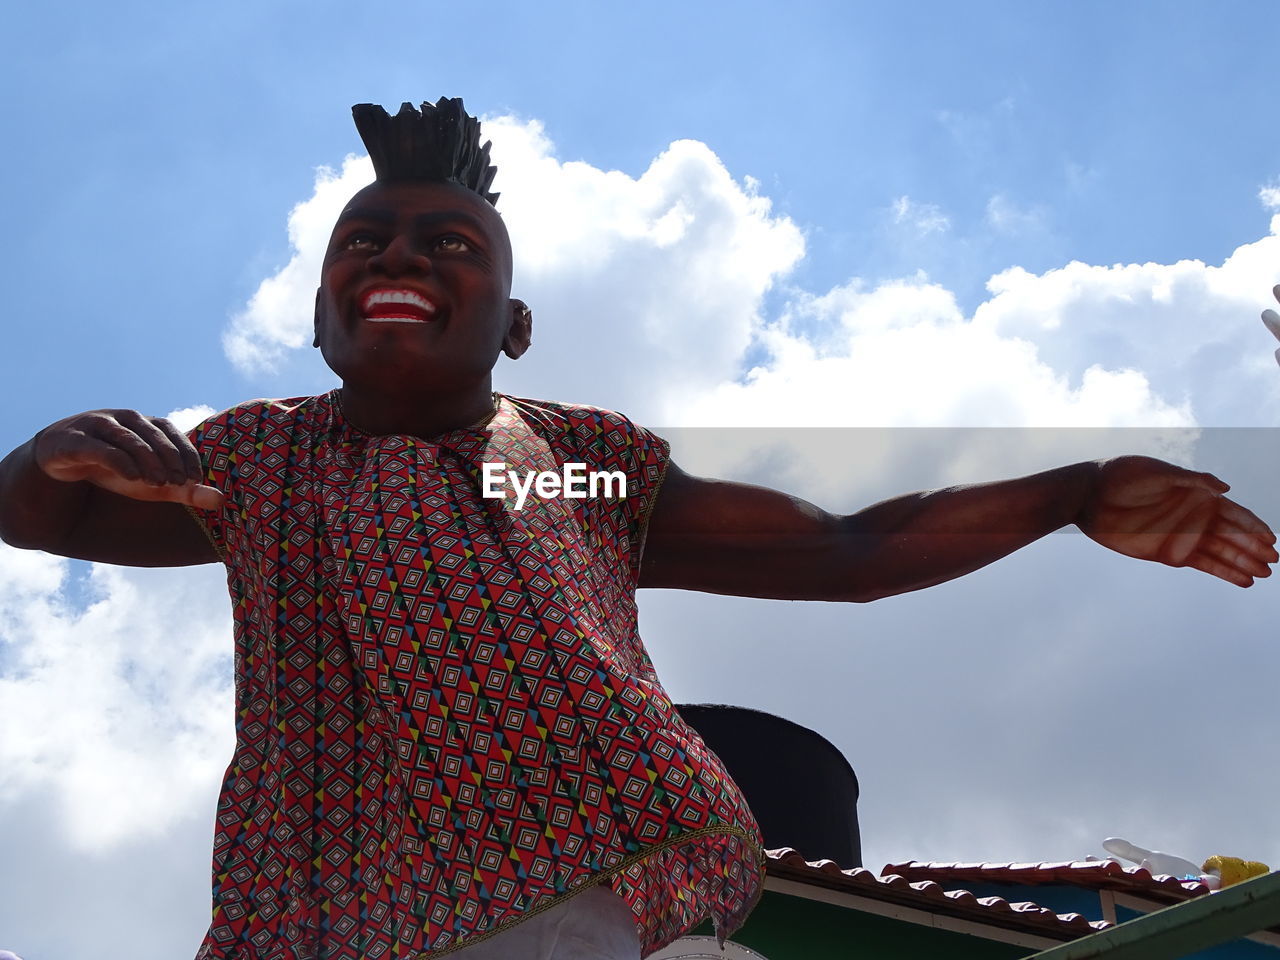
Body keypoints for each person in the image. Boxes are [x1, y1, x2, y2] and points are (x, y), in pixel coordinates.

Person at [0, 99, 1275, 960]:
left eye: (451, 241)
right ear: (320, 312)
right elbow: (49, 514)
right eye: (366, 240)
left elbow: (837, 549)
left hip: (591, 876)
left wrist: (1062, 493)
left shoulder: (564, 476)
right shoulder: (263, 467)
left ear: (512, 325)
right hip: (326, 917)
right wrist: (50, 452)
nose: (399, 255)